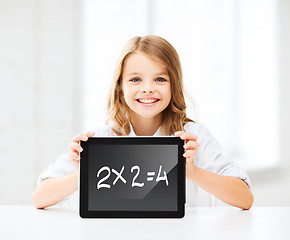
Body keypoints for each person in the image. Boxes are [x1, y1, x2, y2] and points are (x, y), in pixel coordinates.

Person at [32, 35, 254, 210]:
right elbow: (40, 198)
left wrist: (193, 172)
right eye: (135, 79)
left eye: (160, 79)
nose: (147, 88)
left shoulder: (192, 137)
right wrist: (84, 174)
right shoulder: (100, 140)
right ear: (120, 88)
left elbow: (245, 198)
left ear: (173, 86)